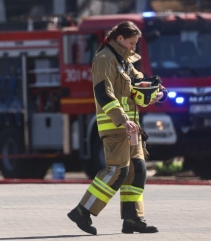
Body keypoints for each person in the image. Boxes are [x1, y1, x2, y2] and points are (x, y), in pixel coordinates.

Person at [67, 21, 166, 235]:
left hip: (131, 128)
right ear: (120, 38)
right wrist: (122, 119)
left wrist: (155, 90)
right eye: (132, 43)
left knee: (137, 170)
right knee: (117, 172)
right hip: (116, 126)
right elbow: (104, 93)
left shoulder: (123, 61)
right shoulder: (104, 59)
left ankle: (133, 219)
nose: (134, 48)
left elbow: (136, 85)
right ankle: (82, 211)